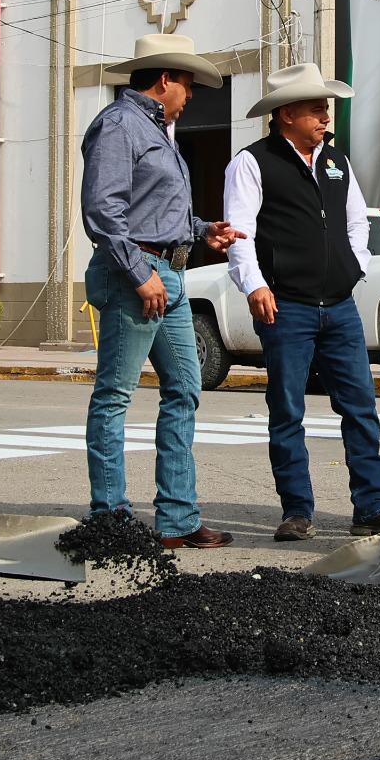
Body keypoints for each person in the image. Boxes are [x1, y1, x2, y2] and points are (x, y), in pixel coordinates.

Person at [81, 33, 239, 550]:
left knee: (185, 389)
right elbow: (104, 211)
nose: (190, 96)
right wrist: (139, 272)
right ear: (165, 79)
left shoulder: (158, 129)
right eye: (187, 85)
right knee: (115, 395)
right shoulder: (118, 126)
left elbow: (155, 209)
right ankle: (111, 519)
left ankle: (176, 518)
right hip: (137, 274)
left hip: (166, 272)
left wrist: (200, 230)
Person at [223, 64, 380, 540]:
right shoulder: (252, 162)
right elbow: (240, 232)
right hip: (286, 305)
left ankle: (371, 506)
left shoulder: (336, 161)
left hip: (338, 303)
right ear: (287, 113)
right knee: (287, 408)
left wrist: (356, 266)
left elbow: (357, 220)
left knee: (360, 405)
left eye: (326, 108)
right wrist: (254, 285)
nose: (325, 117)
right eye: (317, 109)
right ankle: (297, 510)